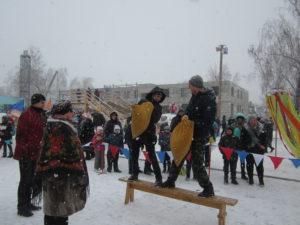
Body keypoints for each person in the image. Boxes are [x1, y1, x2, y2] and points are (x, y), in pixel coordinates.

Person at [162, 75, 216, 198]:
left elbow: (208, 121)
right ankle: (171, 181)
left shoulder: (209, 99)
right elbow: (189, 111)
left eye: (191, 87)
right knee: (178, 156)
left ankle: (208, 188)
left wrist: (193, 123)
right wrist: (185, 116)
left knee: (197, 164)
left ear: (197, 86)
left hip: (199, 135)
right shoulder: (194, 96)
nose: (190, 89)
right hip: (187, 133)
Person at [36, 101, 89, 225]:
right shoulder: (63, 127)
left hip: (50, 173)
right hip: (62, 176)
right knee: (60, 209)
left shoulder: (51, 124)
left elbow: (46, 150)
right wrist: (77, 167)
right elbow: (68, 151)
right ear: (64, 113)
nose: (73, 113)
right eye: (71, 111)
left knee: (51, 208)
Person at [14, 93, 46, 217]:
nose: (43, 104)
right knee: (25, 181)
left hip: (36, 153)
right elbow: (21, 136)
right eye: (42, 102)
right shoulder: (26, 115)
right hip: (26, 154)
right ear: (35, 102)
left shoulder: (41, 114)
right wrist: (28, 148)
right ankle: (22, 207)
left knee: (32, 180)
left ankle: (28, 203)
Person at [128, 86, 166, 186]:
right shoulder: (143, 101)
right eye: (157, 95)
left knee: (152, 156)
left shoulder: (158, 107)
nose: (158, 97)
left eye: (160, 96)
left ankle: (159, 179)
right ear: (153, 94)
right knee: (134, 154)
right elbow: (136, 113)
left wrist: (148, 110)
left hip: (149, 133)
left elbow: (155, 119)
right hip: (138, 131)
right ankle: (134, 174)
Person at [245, 116, 267, 186]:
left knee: (259, 166)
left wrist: (264, 147)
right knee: (249, 166)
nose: (253, 122)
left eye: (254, 120)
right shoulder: (246, 129)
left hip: (259, 150)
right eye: (251, 120)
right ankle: (250, 179)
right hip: (249, 150)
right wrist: (245, 146)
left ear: (256, 121)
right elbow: (243, 139)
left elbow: (266, 139)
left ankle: (261, 181)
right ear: (249, 121)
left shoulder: (262, 128)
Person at [233, 113, 250, 180]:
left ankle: (243, 174)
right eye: (238, 119)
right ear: (237, 120)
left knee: (242, 162)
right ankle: (233, 175)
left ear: (243, 120)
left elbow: (248, 137)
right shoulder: (233, 126)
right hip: (234, 147)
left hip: (242, 147)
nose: (240, 120)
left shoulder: (246, 127)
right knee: (234, 162)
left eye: (241, 119)